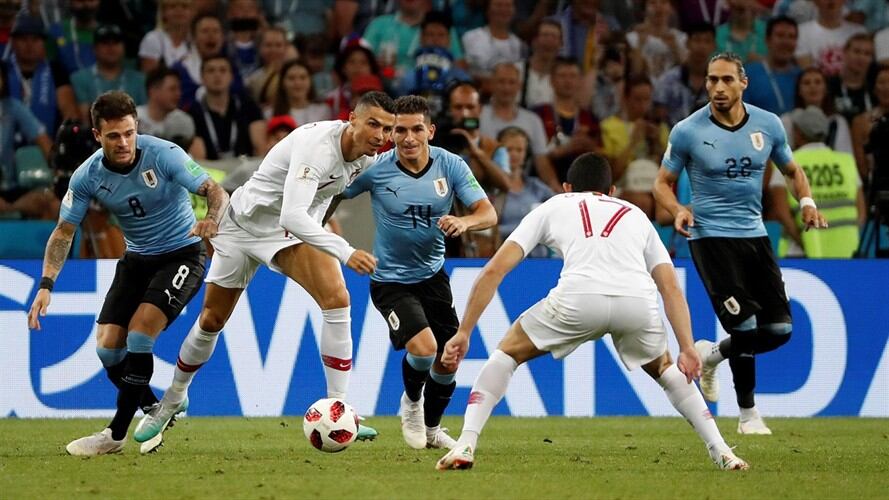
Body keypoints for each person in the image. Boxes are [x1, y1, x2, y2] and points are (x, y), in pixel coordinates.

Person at [436, 152, 749, 472]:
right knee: (666, 368)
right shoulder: (636, 214)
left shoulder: (554, 205)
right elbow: (670, 288)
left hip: (579, 298)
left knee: (507, 353)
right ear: (612, 190)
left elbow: (494, 271)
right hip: (636, 302)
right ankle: (722, 451)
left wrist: (464, 332)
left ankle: (466, 444)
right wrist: (686, 347)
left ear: (566, 187)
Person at [133, 91, 397, 446]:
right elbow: (292, 213)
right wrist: (344, 250)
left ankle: (340, 409)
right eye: (373, 124)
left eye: (387, 129)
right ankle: (173, 399)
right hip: (242, 226)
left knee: (337, 299)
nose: (381, 136)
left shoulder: (365, 159)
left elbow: (324, 200)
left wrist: (325, 233)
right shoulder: (317, 147)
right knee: (211, 320)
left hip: (287, 235)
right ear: (352, 119)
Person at [26, 90, 228, 456]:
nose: (124, 143)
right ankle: (157, 408)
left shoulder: (163, 154)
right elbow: (64, 232)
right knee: (107, 350)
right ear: (96, 135)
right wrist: (46, 284)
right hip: (136, 259)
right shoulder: (87, 175)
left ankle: (115, 434)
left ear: (137, 128)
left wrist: (211, 220)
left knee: (139, 336)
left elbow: (215, 190)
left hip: (182, 253)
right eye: (114, 136)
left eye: (129, 133)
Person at [653, 53, 828, 436]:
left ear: (743, 83)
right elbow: (661, 183)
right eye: (712, 80)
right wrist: (678, 209)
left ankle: (712, 354)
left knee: (780, 330)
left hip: (755, 236)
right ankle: (748, 415)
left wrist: (808, 203)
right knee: (746, 324)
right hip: (711, 238)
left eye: (726, 80)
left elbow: (792, 171)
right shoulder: (687, 130)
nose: (718, 88)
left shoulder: (768, 124)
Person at [337, 95, 497, 450]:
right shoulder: (375, 169)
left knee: (449, 357)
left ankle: (432, 429)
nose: (408, 138)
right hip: (390, 280)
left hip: (433, 277)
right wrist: (328, 237)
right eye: (399, 130)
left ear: (431, 131)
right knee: (424, 349)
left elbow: (488, 213)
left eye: (416, 129)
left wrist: (464, 221)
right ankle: (411, 405)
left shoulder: (450, 165)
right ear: (391, 133)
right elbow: (330, 194)